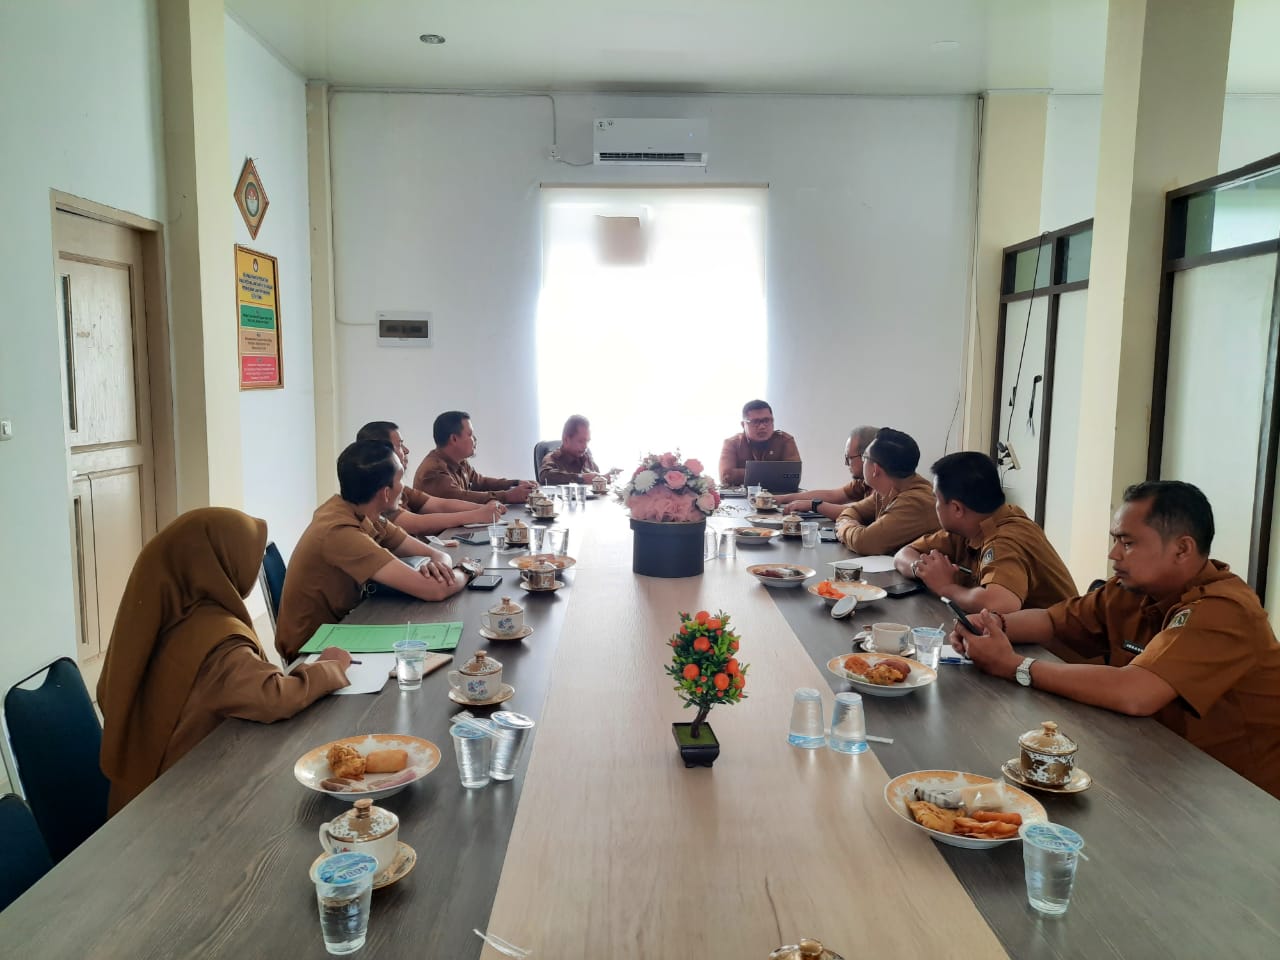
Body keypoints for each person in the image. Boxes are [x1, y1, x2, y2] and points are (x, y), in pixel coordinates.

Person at [952, 480, 1280, 799]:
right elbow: (1051, 622)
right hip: (1157, 766)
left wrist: (1014, 666)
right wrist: (990, 625)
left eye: (1127, 542)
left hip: (1237, 800)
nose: (1113, 554)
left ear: (1182, 548)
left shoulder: (1224, 610)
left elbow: (1135, 692)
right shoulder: (1133, 591)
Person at [96, 508, 351, 815]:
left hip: (139, 793)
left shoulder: (160, 618)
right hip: (176, 809)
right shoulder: (214, 638)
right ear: (219, 561)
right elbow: (274, 697)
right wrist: (331, 666)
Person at [275, 441, 470, 661]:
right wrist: (467, 569)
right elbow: (434, 590)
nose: (403, 488)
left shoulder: (364, 513)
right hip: (313, 649)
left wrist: (440, 566)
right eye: (400, 479)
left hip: (346, 625)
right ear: (386, 493)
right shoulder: (340, 532)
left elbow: (435, 553)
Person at [893, 451, 1077, 613]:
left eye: (937, 500)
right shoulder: (969, 526)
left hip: (1052, 651)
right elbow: (904, 554)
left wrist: (946, 587)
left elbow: (999, 604)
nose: (936, 507)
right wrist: (922, 570)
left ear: (957, 508)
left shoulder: (1006, 539)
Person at [356, 420, 505, 534]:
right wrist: (477, 514)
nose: (407, 450)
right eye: (400, 445)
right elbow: (417, 523)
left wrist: (487, 508)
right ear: (381, 453)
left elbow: (440, 504)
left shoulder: (399, 488)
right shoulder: (377, 495)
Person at [833, 427, 938, 555]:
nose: (862, 461)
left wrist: (844, 527)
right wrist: (850, 524)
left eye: (864, 457)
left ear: (875, 469)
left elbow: (865, 542)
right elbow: (852, 511)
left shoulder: (915, 502)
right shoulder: (887, 489)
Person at [413, 411, 536, 505]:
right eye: (470, 435)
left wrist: (516, 483)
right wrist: (507, 496)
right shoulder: (433, 471)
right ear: (454, 439)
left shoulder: (459, 461)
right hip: (443, 536)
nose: (475, 440)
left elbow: (481, 482)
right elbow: (461, 498)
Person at [778, 425, 878, 520]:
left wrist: (813, 505)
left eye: (849, 458)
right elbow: (832, 495)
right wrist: (782, 498)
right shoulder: (863, 482)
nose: (846, 463)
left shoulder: (884, 488)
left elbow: (855, 512)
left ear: (866, 457)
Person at [718, 400, 800, 487]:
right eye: (755, 422)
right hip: (741, 497)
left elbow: (793, 475)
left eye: (766, 420)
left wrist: (746, 473)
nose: (762, 426)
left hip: (780, 495)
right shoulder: (732, 443)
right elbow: (726, 476)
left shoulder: (785, 441)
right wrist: (776, 473)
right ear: (743, 425)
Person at [539, 414, 608, 485]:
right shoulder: (553, 458)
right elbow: (545, 476)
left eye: (587, 441)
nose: (585, 446)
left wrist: (608, 477)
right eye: (581, 441)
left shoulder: (586, 456)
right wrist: (581, 478)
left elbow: (598, 478)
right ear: (566, 439)